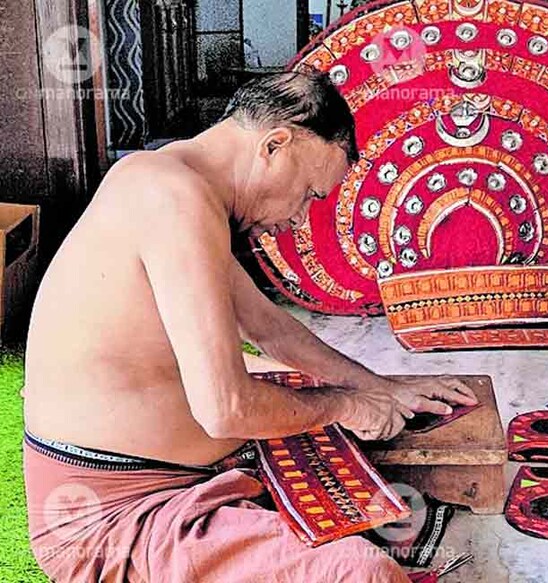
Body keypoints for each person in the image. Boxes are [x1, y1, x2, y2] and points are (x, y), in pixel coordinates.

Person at [22, 71, 477, 582]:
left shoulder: (172, 182)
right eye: (309, 193)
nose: (300, 219)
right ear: (274, 146)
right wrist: (346, 405)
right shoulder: (171, 197)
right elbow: (226, 409)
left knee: (340, 442)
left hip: (181, 482)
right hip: (116, 520)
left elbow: (270, 329)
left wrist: (379, 387)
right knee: (361, 573)